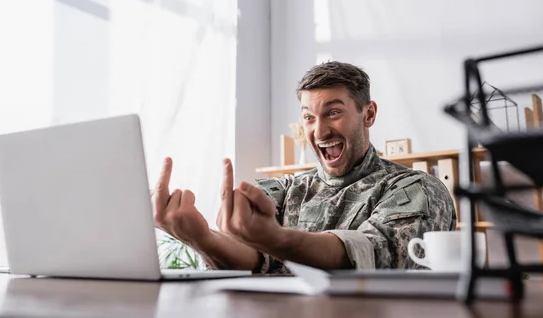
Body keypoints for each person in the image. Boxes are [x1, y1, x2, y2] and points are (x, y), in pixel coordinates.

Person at [151, 61, 456, 273]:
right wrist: (202, 238)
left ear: (369, 114)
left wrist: (277, 239)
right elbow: (256, 259)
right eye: (309, 117)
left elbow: (376, 255)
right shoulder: (286, 188)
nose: (319, 132)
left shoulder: (417, 189)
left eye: (333, 112)